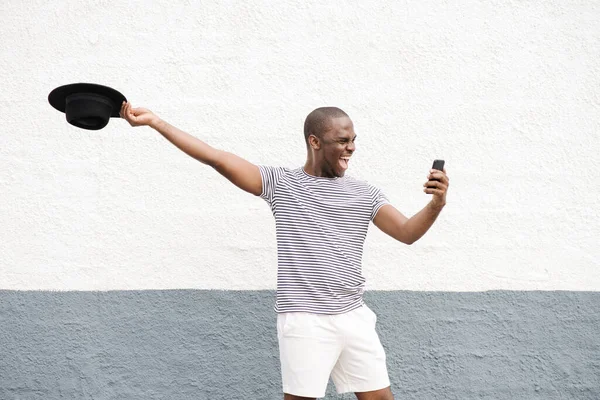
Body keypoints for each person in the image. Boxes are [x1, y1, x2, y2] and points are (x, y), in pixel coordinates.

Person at [120, 101, 449, 400]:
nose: (351, 148)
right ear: (315, 141)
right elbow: (215, 157)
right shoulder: (282, 184)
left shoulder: (365, 194)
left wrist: (437, 203)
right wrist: (157, 123)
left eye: (353, 140)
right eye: (342, 140)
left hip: (353, 316)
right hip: (305, 320)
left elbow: (407, 233)